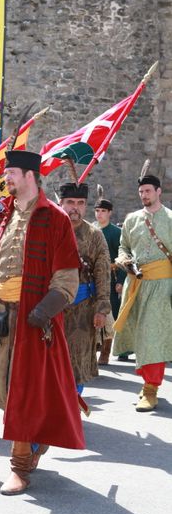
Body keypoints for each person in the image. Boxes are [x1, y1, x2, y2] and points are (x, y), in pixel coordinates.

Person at [0, 149, 84, 495]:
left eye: (11, 173)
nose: (6, 180)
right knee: (7, 391)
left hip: (37, 319)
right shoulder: (3, 215)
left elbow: (67, 279)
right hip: (4, 317)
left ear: (30, 175)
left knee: (24, 393)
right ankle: (33, 442)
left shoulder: (55, 218)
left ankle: (18, 466)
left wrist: (43, 311)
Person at [113, 172, 172, 412]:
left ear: (158, 191)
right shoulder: (132, 219)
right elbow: (123, 246)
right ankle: (147, 383)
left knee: (151, 336)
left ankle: (151, 389)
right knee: (139, 336)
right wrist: (123, 259)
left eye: (148, 191)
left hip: (161, 285)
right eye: (141, 192)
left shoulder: (170, 218)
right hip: (135, 284)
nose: (144, 195)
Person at [59, 183, 111, 396]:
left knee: (77, 361)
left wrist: (101, 308)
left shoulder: (94, 235)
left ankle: (72, 407)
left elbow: (103, 273)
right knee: (50, 360)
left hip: (83, 307)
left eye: (80, 203)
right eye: (70, 202)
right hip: (49, 307)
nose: (75, 208)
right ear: (60, 203)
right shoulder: (48, 230)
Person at [93, 189, 126, 364]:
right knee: (92, 313)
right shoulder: (91, 229)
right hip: (93, 278)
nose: (100, 214)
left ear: (110, 213)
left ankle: (105, 352)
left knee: (109, 314)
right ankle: (94, 349)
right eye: (97, 211)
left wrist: (120, 280)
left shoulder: (116, 232)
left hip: (111, 277)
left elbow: (122, 256)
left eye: (103, 211)